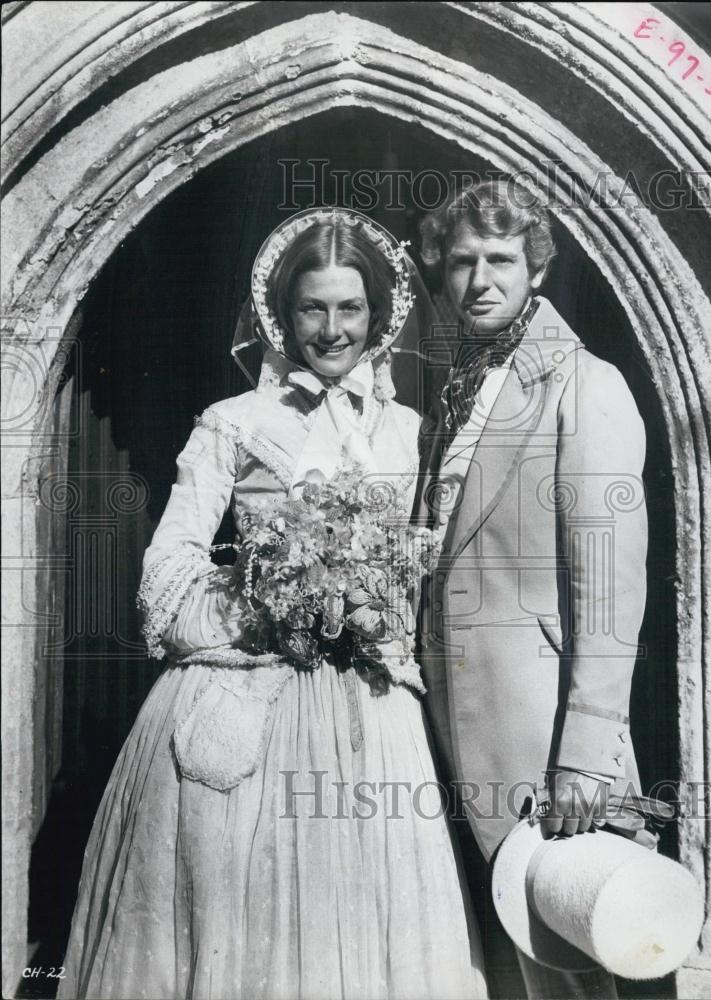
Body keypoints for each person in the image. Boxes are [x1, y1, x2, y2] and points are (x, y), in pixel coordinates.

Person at [60, 209, 487, 1000]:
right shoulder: (235, 423)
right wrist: (272, 603)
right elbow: (165, 574)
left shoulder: (408, 433)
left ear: (378, 314)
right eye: (312, 309)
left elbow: (429, 575)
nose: (331, 330)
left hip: (371, 716)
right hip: (252, 699)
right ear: (282, 317)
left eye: (348, 308)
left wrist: (371, 603)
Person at [415, 180, 648, 998]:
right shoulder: (456, 386)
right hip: (446, 729)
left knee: (571, 968)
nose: (480, 279)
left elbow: (610, 588)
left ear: (535, 271)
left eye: (501, 260)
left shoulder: (585, 385)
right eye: (463, 262)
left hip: (542, 738)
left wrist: (584, 755)